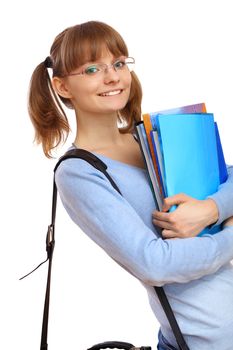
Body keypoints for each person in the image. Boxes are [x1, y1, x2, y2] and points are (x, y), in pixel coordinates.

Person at [28, 21, 233, 350]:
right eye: (93, 69)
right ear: (63, 87)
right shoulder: (80, 172)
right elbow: (154, 263)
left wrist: (212, 209)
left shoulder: (155, 135)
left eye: (119, 63)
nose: (112, 77)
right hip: (208, 339)